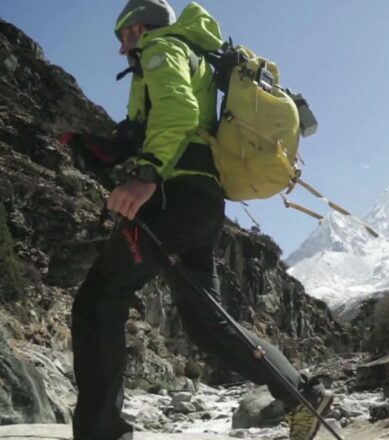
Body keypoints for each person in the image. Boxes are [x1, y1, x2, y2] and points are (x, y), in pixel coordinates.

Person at [70, 1, 332, 439]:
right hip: (201, 204)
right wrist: (104, 146)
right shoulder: (197, 56)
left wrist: (146, 176)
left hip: (169, 199)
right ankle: (301, 394)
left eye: (123, 36)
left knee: (98, 303)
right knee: (206, 323)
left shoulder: (161, 47)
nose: (121, 49)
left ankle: (101, 433)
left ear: (139, 27)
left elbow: (177, 110)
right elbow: (165, 121)